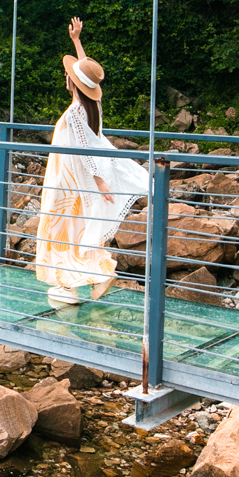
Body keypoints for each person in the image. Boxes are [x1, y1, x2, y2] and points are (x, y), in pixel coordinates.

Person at [34, 16, 150, 306]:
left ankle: (68, 287)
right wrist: (76, 41)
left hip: (66, 184)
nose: (66, 76)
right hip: (76, 184)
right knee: (79, 230)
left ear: (72, 82)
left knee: (60, 231)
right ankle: (97, 274)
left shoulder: (75, 112)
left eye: (68, 74)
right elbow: (86, 73)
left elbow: (85, 150)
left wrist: (100, 181)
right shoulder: (92, 105)